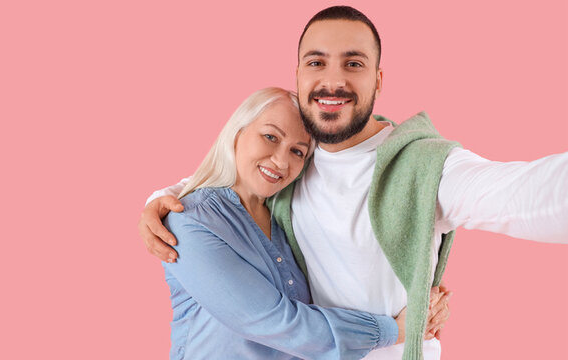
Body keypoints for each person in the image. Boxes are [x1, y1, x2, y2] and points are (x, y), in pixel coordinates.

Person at [139, 6, 568, 360]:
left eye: (354, 63)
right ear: (300, 78)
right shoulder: (296, 166)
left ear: (378, 80)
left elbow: (524, 195)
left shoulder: (426, 167)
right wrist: (164, 198)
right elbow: (242, 179)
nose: (333, 80)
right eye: (317, 62)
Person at [159, 86, 448, 360]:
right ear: (237, 133)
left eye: (297, 151)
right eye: (270, 137)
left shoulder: (284, 216)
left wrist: (422, 293)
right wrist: (397, 330)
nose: (281, 161)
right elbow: (275, 322)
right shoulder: (190, 222)